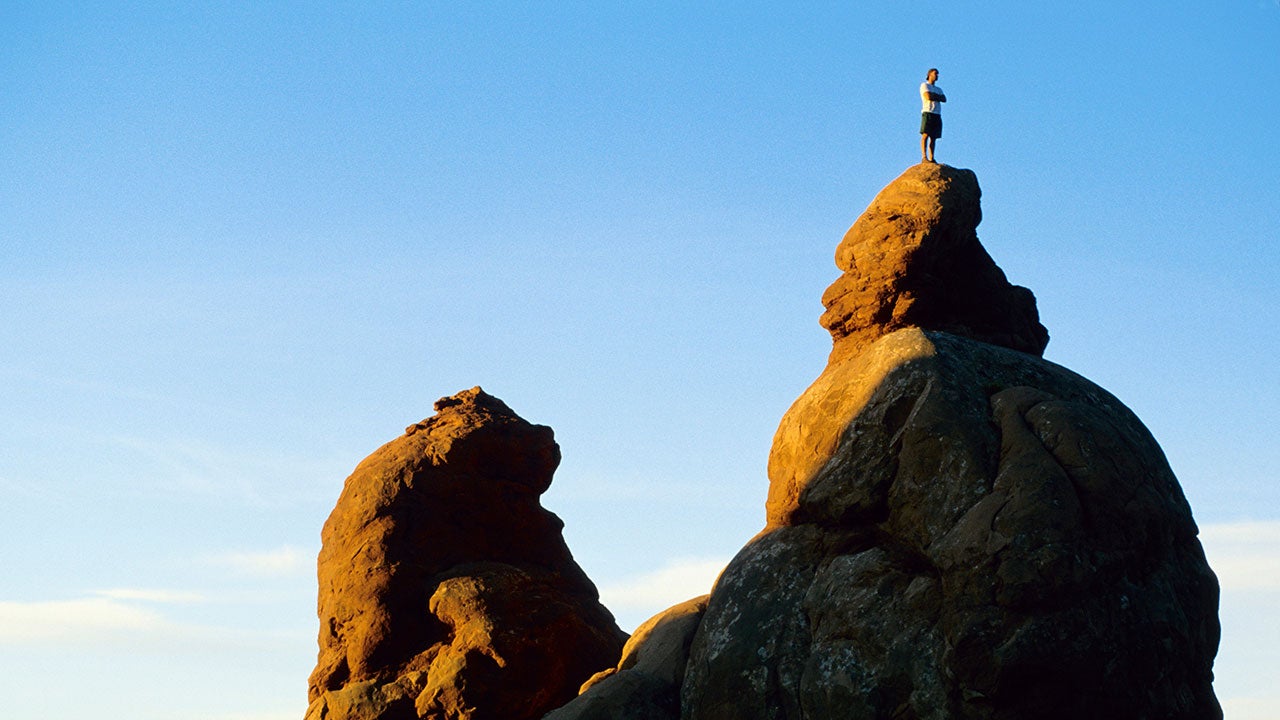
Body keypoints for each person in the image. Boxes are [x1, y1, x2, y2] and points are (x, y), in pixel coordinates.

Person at [919, 68, 946, 163]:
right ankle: (924, 156)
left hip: (937, 114)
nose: (937, 75)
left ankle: (932, 157)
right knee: (925, 135)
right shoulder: (924, 85)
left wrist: (934, 96)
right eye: (935, 73)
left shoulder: (939, 89)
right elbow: (927, 96)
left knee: (933, 138)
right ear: (929, 74)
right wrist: (936, 97)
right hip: (928, 112)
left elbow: (944, 99)